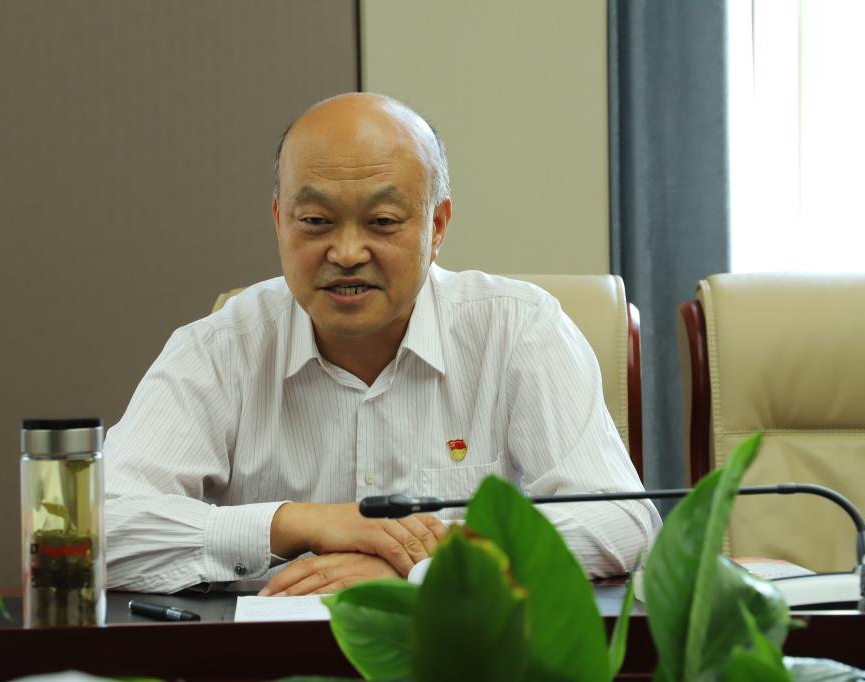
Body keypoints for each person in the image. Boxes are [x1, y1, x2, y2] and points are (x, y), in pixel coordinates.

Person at [104, 93, 660, 595]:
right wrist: (302, 523)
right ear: (279, 221)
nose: (347, 253)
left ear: (437, 227)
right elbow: (96, 530)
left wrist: (423, 564)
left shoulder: (519, 329)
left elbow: (620, 521)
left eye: (383, 221)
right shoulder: (222, 348)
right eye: (316, 221)